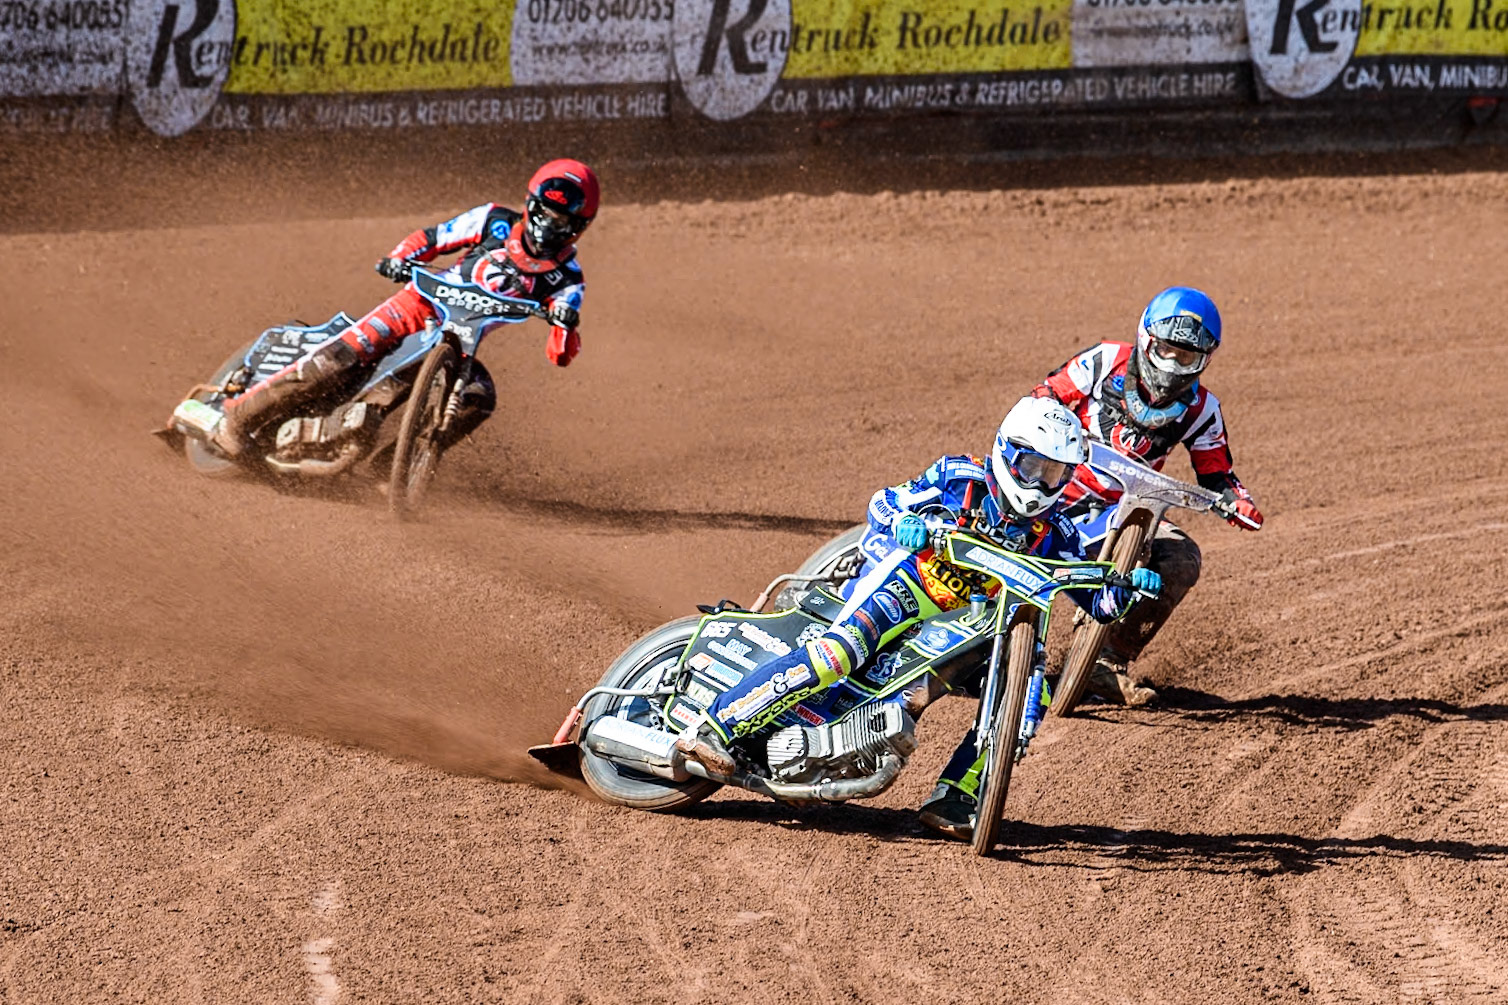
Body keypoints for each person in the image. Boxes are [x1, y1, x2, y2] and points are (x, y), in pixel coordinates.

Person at [675, 395, 1162, 839]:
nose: (1041, 483)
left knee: (1027, 699)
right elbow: (882, 502)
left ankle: (956, 797)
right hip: (908, 587)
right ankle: (716, 729)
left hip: (974, 623)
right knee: (838, 655)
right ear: (1009, 454)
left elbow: (1095, 602)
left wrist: (1127, 587)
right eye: (1033, 465)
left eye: (1055, 474)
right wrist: (905, 521)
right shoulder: (959, 477)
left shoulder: (1054, 528)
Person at [192, 159, 599, 457]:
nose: (548, 225)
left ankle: (387, 470)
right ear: (529, 203)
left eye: (561, 221)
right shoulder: (493, 219)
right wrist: (400, 258)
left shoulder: (567, 277)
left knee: (479, 395)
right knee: (341, 356)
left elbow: (560, 353)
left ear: (579, 225)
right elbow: (435, 237)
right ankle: (236, 418)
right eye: (544, 213)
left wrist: (565, 323)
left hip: (462, 342)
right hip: (417, 305)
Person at [1032, 286, 1262, 706]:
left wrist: (1236, 501)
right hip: (1052, 488)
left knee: (1181, 557)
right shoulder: (1102, 361)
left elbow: (1217, 473)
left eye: (1187, 357)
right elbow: (1045, 396)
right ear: (1146, 338)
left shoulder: (1202, 409)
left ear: (1204, 360)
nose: (1173, 364)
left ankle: (1107, 660)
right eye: (1167, 350)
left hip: (1121, 509)